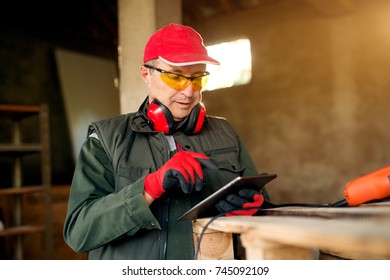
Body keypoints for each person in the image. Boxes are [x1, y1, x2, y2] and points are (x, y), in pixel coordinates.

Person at [63, 23, 270, 260]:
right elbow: (78, 233)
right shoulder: (106, 138)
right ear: (146, 74)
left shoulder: (225, 133)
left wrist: (255, 212)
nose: (189, 92)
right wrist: (150, 187)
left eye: (197, 78)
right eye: (175, 77)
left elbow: (263, 209)